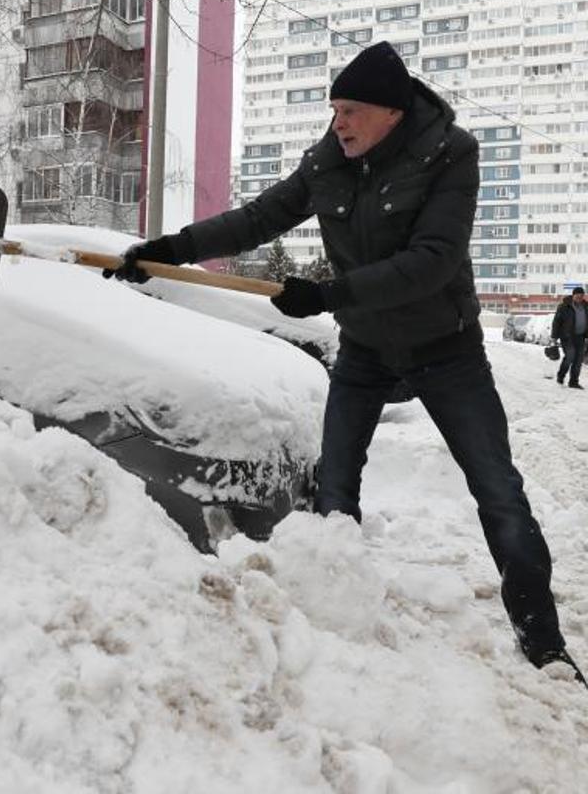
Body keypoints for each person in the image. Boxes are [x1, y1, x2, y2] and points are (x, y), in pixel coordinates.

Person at [108, 41, 584, 685]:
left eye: (352, 110)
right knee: (335, 484)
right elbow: (259, 218)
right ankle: (338, 614)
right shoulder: (329, 161)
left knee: (498, 492)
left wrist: (329, 295)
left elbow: (434, 259)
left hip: (446, 348)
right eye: (334, 109)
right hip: (364, 347)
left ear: (391, 112)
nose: (339, 123)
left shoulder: (450, 153)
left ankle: (543, 643)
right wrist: (173, 247)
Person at [551, 286, 586, 388]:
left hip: (581, 336)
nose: (579, 297)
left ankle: (573, 382)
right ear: (573, 295)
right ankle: (561, 376)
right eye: (577, 295)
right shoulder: (564, 306)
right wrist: (554, 336)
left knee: (578, 360)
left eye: (581, 295)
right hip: (567, 336)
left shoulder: (586, 306)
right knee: (570, 356)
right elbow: (557, 321)